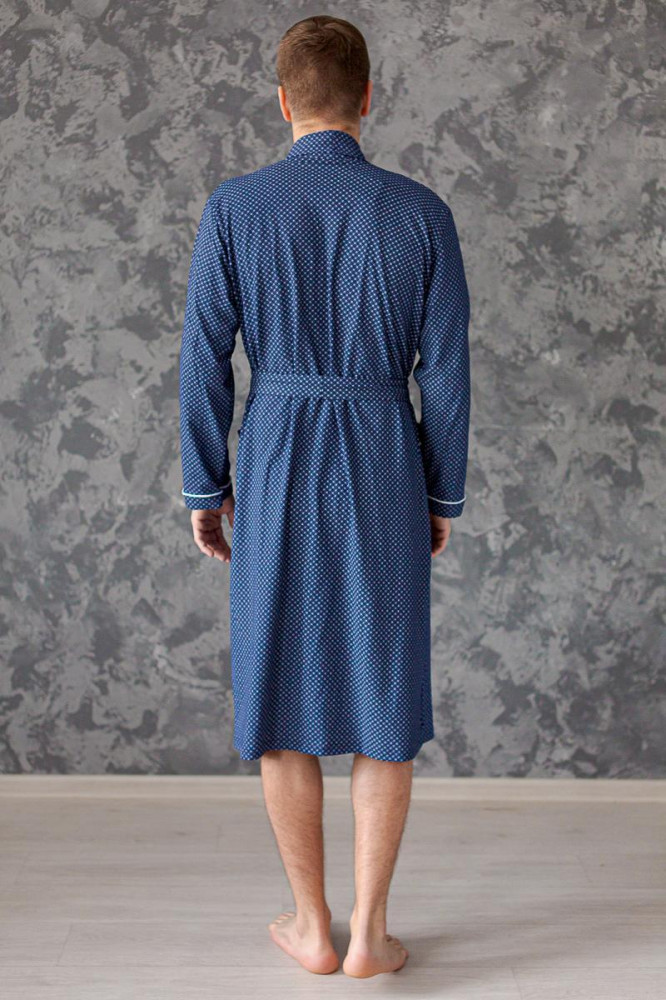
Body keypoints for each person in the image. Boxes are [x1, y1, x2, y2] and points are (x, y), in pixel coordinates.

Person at [178, 14, 471, 979]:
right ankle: (371, 934)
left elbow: (204, 362)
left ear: (282, 101)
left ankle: (312, 926)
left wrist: (206, 485)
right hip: (384, 454)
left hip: (274, 455)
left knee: (278, 683)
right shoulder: (419, 213)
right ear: (368, 97)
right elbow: (448, 374)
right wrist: (440, 494)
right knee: (385, 681)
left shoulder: (235, 208)